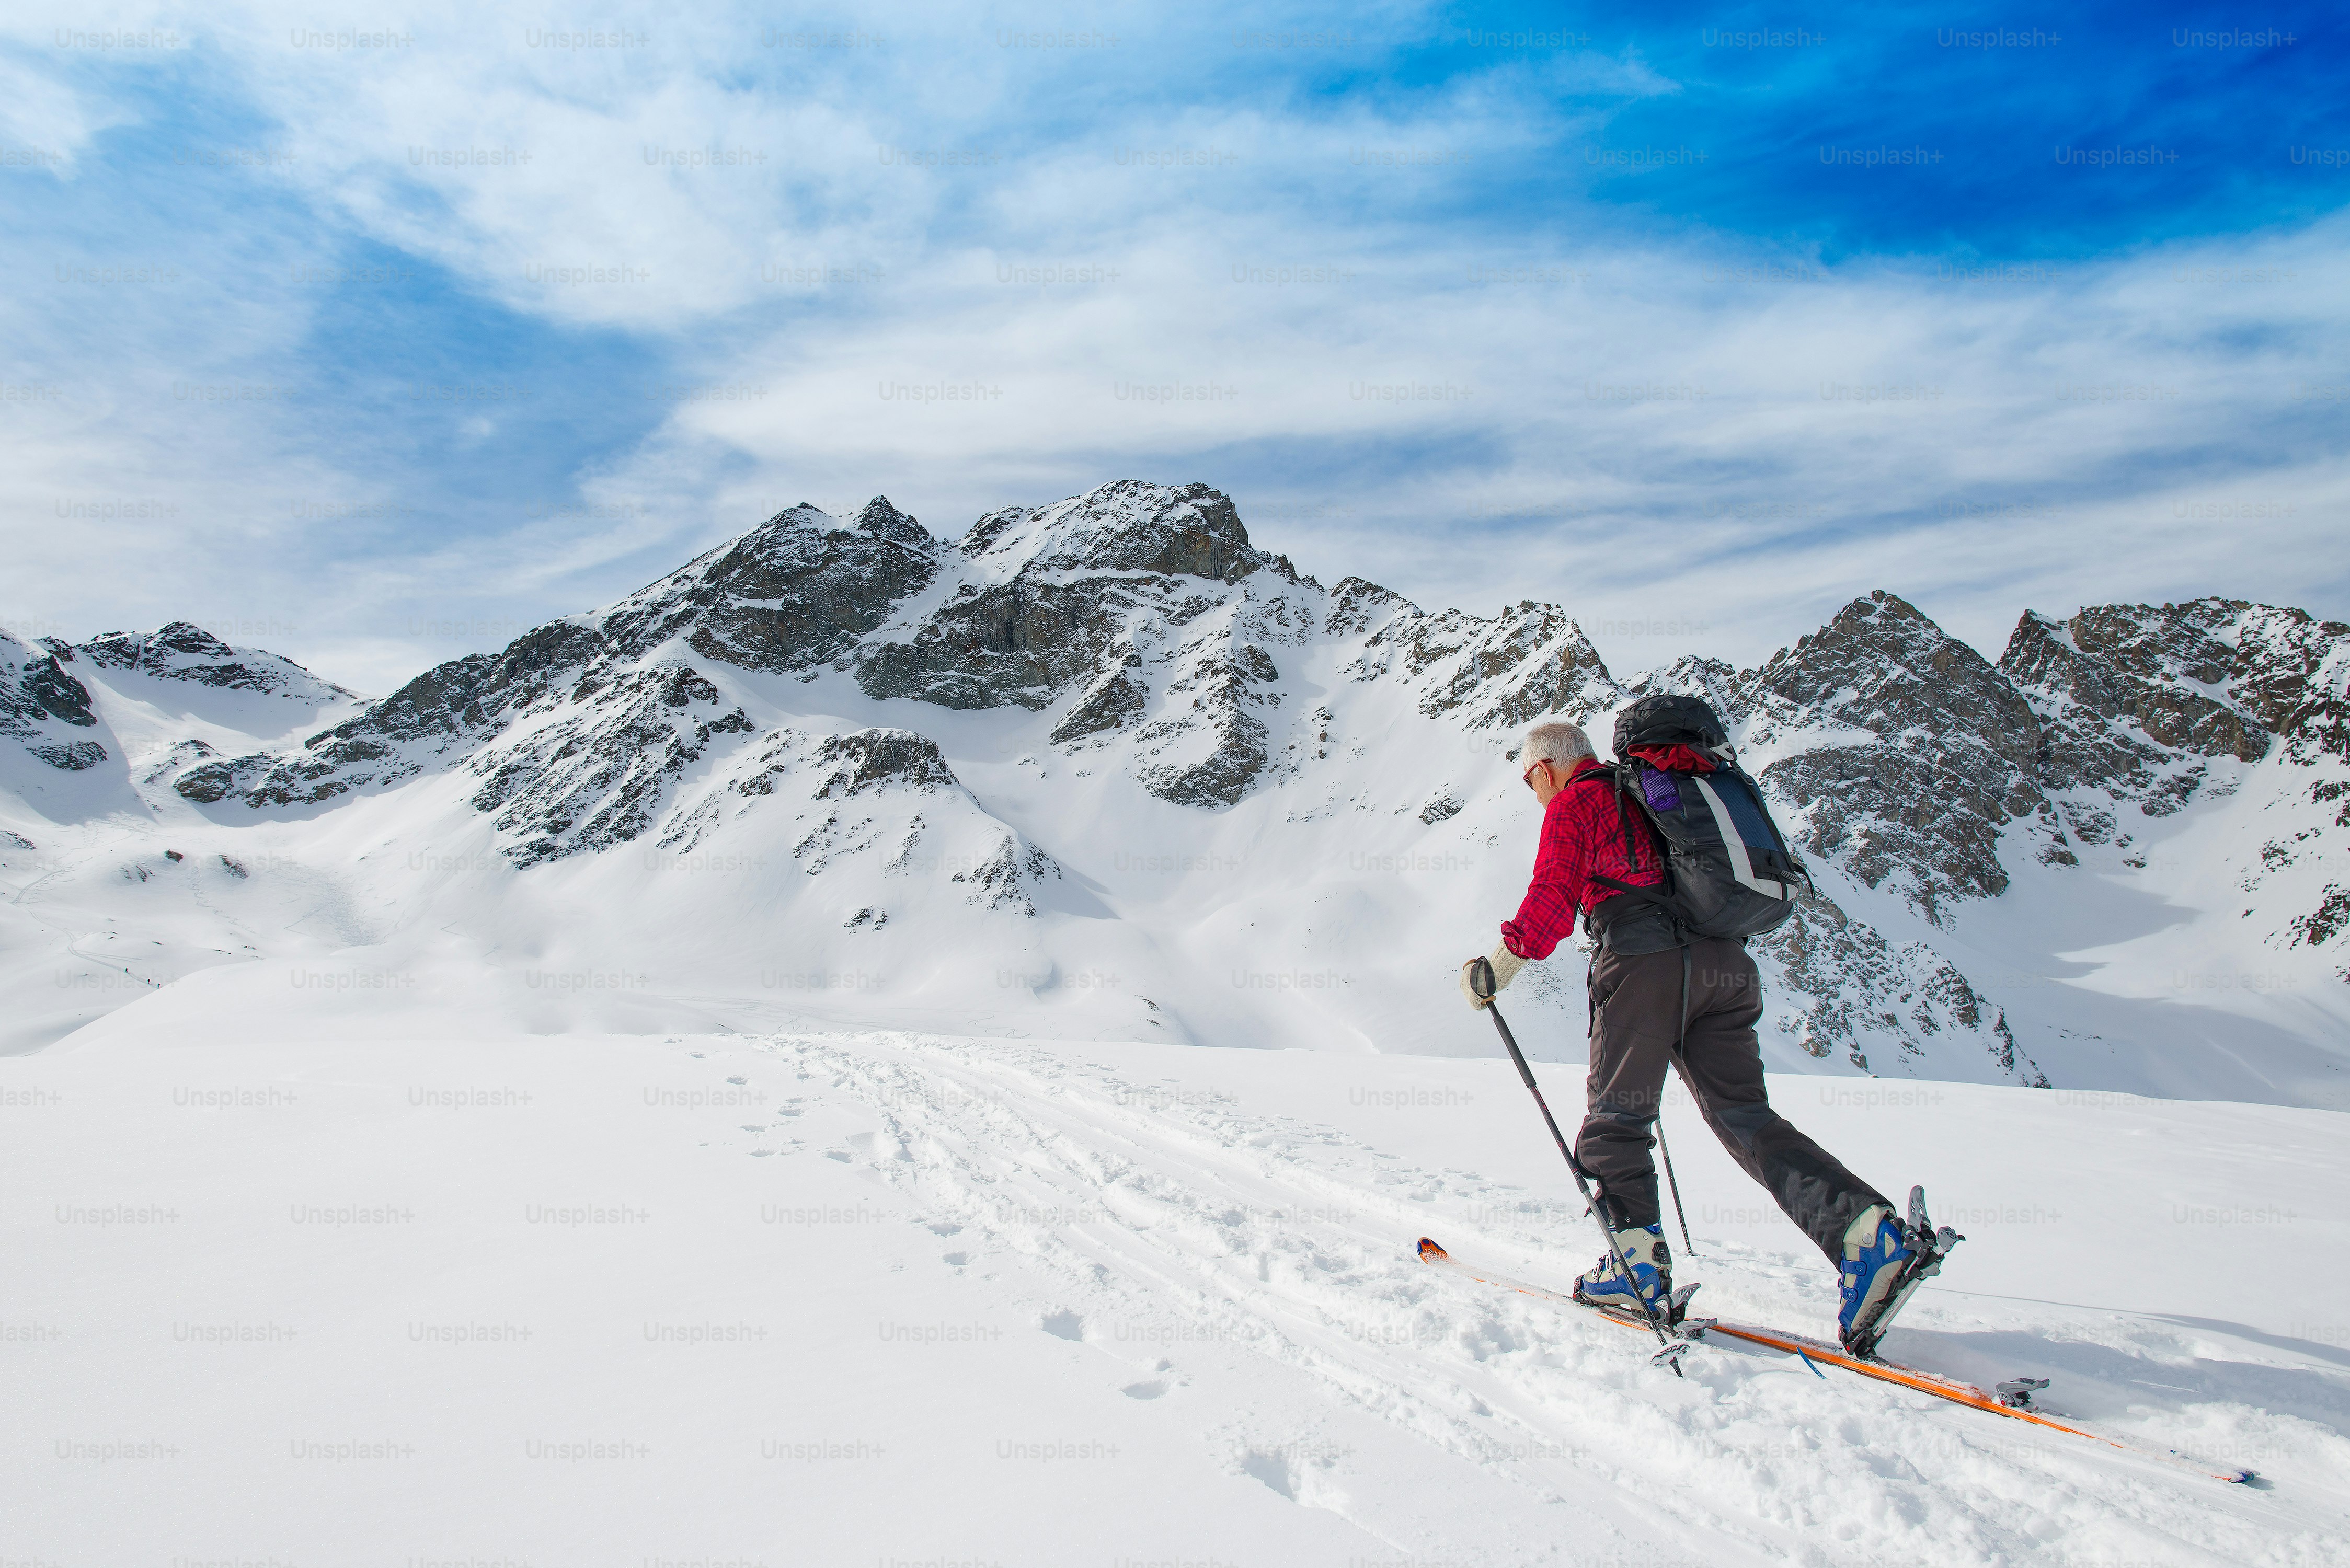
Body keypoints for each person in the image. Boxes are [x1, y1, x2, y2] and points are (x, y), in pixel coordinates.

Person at [1460, 717, 1919, 1352]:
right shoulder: (1658, 793)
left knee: (1618, 1115)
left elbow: (1551, 902)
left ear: (1545, 768)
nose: (1534, 794)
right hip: (1725, 967)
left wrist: (1494, 968)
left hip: (1645, 965)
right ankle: (1867, 1236)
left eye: (1529, 781)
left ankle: (1634, 1267)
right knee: (1745, 1116)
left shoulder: (1578, 799)